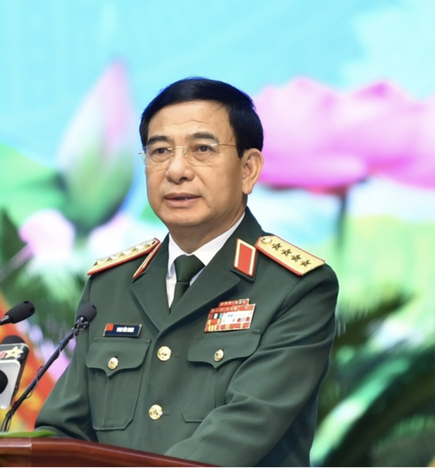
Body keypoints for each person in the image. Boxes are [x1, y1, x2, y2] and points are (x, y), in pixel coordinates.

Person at [34, 77, 338, 467]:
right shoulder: (110, 285)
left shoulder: (295, 286)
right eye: (160, 151)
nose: (176, 170)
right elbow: (63, 430)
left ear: (248, 169)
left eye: (202, 149)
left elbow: (244, 427)